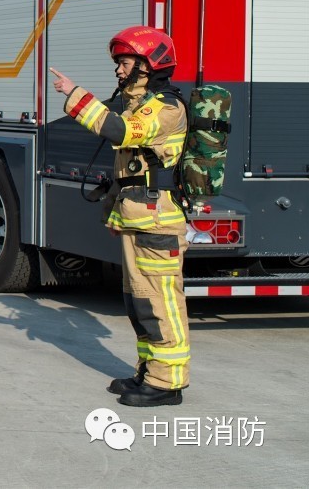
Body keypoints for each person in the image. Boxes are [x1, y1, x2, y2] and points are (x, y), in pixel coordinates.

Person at [49, 25, 190, 408]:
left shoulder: (166, 108)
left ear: (148, 64)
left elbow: (119, 132)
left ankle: (167, 383)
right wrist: (116, 216)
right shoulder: (141, 104)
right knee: (140, 300)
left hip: (158, 223)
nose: (118, 70)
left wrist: (74, 95)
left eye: (124, 62)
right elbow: (130, 172)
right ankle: (149, 371)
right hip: (139, 219)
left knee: (161, 301)